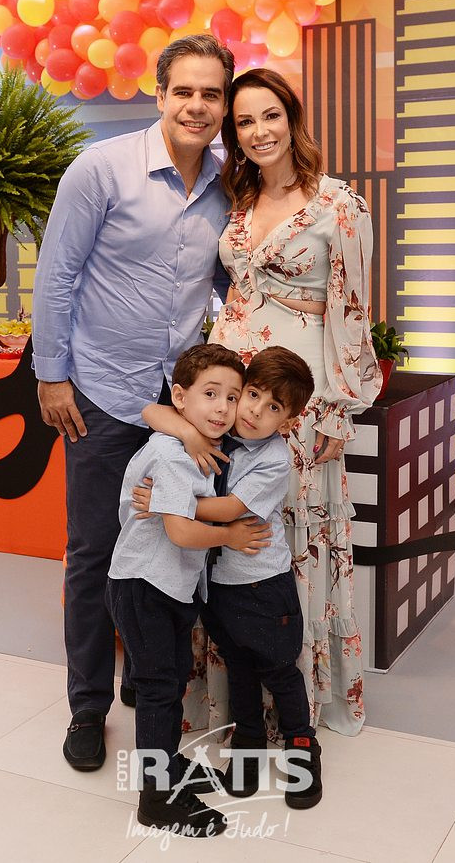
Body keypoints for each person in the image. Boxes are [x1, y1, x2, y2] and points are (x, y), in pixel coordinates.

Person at [31, 35, 235, 771]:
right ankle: (87, 707)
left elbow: (227, 283)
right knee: (93, 552)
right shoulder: (101, 168)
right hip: (99, 392)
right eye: (184, 91)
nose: (197, 106)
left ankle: (146, 678)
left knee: (169, 544)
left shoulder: (226, 184)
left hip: (177, 403)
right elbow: (57, 275)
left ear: (224, 104)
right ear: (160, 94)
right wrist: (52, 376)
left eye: (211, 94)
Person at [185, 69, 381, 738]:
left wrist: (338, 408)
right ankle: (231, 700)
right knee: (230, 529)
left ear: (292, 119)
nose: (259, 131)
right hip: (228, 391)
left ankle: (291, 702)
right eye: (244, 121)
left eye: (270, 115)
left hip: (298, 393)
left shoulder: (337, 203)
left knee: (288, 534)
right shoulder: (236, 199)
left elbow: (351, 310)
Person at [138, 345, 322, 810]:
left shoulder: (273, 457)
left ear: (289, 420)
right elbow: (152, 411)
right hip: (218, 584)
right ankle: (248, 742)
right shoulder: (213, 430)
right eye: (253, 395)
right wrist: (188, 433)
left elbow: (230, 509)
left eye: (274, 407)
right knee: (237, 667)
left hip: (262, 585)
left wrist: (167, 501)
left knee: (279, 670)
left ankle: (302, 746)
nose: (256, 411)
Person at [106, 344, 272, 838]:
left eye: (232, 397)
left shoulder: (192, 443)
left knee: (172, 677)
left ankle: (168, 765)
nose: (222, 408)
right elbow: (179, 531)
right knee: (159, 689)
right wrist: (230, 536)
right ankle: (156, 800)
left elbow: (154, 412)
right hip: (145, 584)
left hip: (169, 585)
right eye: (210, 394)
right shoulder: (172, 454)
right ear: (181, 397)